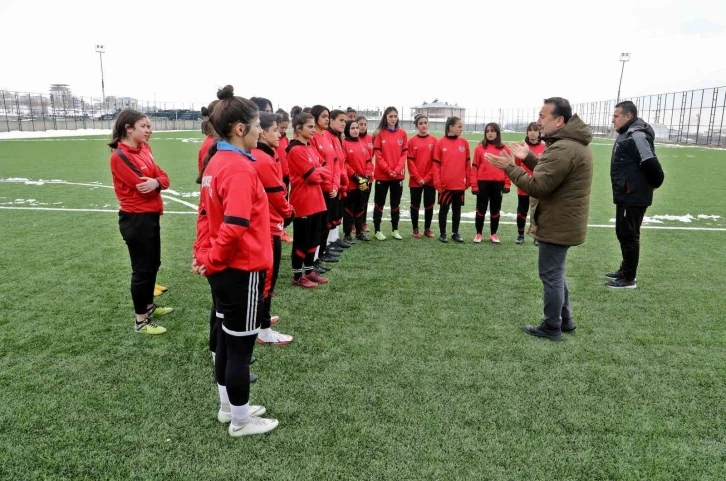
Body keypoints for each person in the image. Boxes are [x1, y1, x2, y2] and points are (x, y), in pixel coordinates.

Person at [194, 85, 278, 436]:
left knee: (227, 343)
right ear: (240, 129)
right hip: (240, 270)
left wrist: (203, 255)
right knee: (240, 348)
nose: (262, 130)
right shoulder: (241, 169)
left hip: (224, 269)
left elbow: (203, 216)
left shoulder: (217, 161)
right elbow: (234, 226)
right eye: (258, 124)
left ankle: (230, 409)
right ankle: (241, 422)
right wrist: (211, 258)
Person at [486, 97, 593, 341]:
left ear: (559, 121)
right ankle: (565, 319)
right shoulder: (568, 144)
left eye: (543, 116)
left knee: (551, 274)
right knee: (557, 272)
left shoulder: (564, 147)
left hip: (558, 221)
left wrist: (510, 167)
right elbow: (552, 173)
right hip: (562, 219)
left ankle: (552, 326)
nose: (538, 121)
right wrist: (528, 158)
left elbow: (539, 186)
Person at [109, 110, 173, 335]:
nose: (149, 130)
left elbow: (163, 177)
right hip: (135, 219)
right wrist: (156, 183)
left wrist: (157, 182)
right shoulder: (120, 156)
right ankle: (141, 321)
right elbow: (143, 188)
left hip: (151, 215)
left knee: (153, 264)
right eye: (144, 126)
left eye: (149, 126)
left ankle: (148, 306)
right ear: (128, 128)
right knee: (141, 269)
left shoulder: (145, 149)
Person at [607, 100, 665, 289]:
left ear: (628, 116)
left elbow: (650, 162)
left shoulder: (637, 135)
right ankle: (625, 270)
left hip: (633, 195)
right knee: (623, 234)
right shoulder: (627, 133)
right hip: (626, 194)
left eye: (616, 116)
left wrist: (654, 184)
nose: (613, 120)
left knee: (629, 235)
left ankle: (628, 279)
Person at [251, 113, 295, 345]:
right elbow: (276, 194)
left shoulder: (264, 155)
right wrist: (289, 213)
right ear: (262, 132)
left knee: (265, 280)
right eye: (275, 130)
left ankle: (260, 319)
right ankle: (262, 329)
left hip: (268, 224)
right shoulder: (263, 158)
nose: (280, 134)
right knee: (267, 280)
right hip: (267, 227)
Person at [286, 112, 331, 287]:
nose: (314, 130)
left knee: (314, 239)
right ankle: (298, 277)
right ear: (298, 128)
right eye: (310, 126)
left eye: (314, 126)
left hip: (317, 201)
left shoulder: (310, 147)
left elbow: (324, 169)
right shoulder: (295, 150)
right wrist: (317, 173)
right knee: (302, 241)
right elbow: (313, 176)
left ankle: (309, 270)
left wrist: (318, 173)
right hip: (302, 202)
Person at [309, 105, 343, 264]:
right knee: (318, 226)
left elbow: (336, 162)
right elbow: (318, 167)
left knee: (326, 224)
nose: (327, 119)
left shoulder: (325, 137)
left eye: (328, 116)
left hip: (331, 188)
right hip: (321, 189)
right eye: (323, 116)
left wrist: (335, 185)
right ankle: (314, 260)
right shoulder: (312, 139)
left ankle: (322, 253)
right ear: (315, 118)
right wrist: (329, 186)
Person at [471, 123, 511, 244]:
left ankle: (493, 234)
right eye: (488, 131)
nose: (490, 133)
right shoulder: (479, 148)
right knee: (481, 209)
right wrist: (474, 185)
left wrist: (507, 184)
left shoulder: (505, 149)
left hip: (498, 184)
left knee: (495, 209)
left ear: (497, 133)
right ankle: (479, 233)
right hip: (483, 183)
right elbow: (474, 167)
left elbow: (508, 168)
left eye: (493, 131)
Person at [433, 117, 470, 243]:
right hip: (445, 185)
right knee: (444, 209)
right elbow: (436, 165)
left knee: (457, 210)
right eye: (459, 126)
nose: (461, 129)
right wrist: (437, 182)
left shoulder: (464, 143)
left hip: (459, 185)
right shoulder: (440, 143)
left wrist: (468, 180)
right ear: (451, 127)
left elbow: (467, 164)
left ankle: (455, 232)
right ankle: (443, 233)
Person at [372, 106, 407, 241]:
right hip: (382, 175)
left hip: (397, 176)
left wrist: (397, 170)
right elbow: (378, 154)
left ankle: (395, 230)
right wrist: (388, 170)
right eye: (390, 116)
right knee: (379, 203)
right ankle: (377, 230)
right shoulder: (379, 134)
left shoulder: (402, 134)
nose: (393, 119)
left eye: (395, 116)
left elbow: (404, 153)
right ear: (385, 117)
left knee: (395, 204)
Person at [342, 119, 373, 242]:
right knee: (349, 209)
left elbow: (368, 162)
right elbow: (344, 163)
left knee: (360, 208)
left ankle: (359, 232)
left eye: (356, 128)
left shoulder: (363, 144)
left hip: (363, 183)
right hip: (351, 183)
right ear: (347, 130)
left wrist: (366, 177)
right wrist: (355, 176)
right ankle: (347, 234)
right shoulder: (343, 144)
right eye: (352, 128)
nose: (356, 130)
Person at [407, 114, 437, 238]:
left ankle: (427, 229)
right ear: (416, 126)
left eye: (425, 122)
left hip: (430, 180)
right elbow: (410, 162)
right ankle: (415, 229)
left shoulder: (435, 141)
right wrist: (418, 177)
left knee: (429, 204)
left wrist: (427, 178)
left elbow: (436, 163)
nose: (423, 125)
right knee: (415, 204)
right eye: (421, 123)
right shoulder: (411, 141)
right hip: (415, 180)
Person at [516, 122, 546, 244]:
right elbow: (517, 165)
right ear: (527, 132)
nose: (532, 133)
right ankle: (520, 235)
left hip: (538, 184)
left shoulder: (544, 146)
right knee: (522, 210)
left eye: (535, 130)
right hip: (524, 183)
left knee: (538, 212)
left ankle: (536, 236)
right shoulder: (522, 146)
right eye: (530, 130)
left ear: (539, 133)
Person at [275, 109, 293, 244]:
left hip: (286, 178)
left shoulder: (285, 139)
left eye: (286, 127)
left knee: (284, 205)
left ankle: (283, 231)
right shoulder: (273, 140)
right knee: (277, 206)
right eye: (281, 127)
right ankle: (277, 232)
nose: (283, 130)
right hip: (276, 179)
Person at [357, 115, 374, 233]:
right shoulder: (352, 138)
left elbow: (371, 156)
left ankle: (363, 222)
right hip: (355, 176)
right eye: (360, 124)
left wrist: (368, 173)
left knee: (365, 201)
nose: (362, 127)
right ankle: (353, 223)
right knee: (355, 201)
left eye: (364, 124)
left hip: (368, 176)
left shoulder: (370, 139)